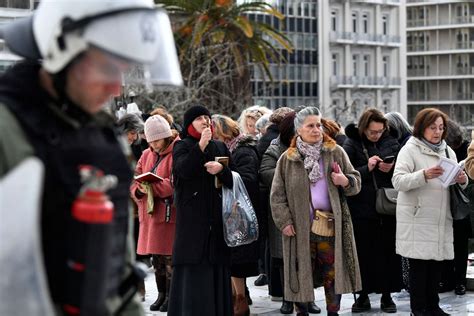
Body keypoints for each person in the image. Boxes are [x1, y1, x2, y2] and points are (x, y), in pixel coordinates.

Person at [0, 0, 182, 314]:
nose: (115, 88)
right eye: (107, 69)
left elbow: (117, 270)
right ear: (61, 51)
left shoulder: (101, 138)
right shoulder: (8, 132)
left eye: (122, 72)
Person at [271, 107, 362, 316]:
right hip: (299, 228)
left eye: (318, 125)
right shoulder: (288, 158)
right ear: (299, 130)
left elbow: (356, 182)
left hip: (329, 226)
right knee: (300, 273)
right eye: (310, 126)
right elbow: (277, 195)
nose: (316, 130)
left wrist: (344, 180)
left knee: (332, 274)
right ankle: (301, 311)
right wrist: (284, 221)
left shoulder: (335, 152)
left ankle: (333, 311)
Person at [392, 108, 468, 316]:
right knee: (419, 268)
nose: (437, 132)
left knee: (436, 266)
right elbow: (398, 180)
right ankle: (418, 309)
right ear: (421, 128)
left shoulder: (447, 151)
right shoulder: (410, 150)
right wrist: (423, 175)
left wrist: (462, 180)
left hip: (441, 217)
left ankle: (433, 306)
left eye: (441, 128)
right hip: (417, 217)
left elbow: (455, 182)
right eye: (432, 127)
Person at [168, 105, 234, 316]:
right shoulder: (182, 146)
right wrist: (201, 146)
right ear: (189, 125)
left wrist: (222, 170)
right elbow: (183, 171)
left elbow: (233, 179)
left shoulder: (220, 147)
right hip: (192, 224)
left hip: (216, 222)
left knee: (215, 268)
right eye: (199, 118)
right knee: (193, 271)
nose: (205, 121)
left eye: (207, 117)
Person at [343, 108, 403, 313]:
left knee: (388, 253)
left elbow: (403, 170)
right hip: (362, 207)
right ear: (363, 128)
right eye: (372, 132)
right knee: (363, 253)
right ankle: (362, 296)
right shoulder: (351, 143)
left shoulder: (392, 141)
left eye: (379, 131)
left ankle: (387, 296)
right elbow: (346, 175)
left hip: (387, 208)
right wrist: (366, 168)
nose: (376, 135)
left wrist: (392, 167)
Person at [212, 114, 261, 316]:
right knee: (232, 258)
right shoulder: (231, 148)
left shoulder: (243, 150)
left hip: (240, 213)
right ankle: (236, 296)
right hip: (228, 212)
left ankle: (240, 298)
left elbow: (249, 180)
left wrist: (224, 171)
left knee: (237, 259)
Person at [130, 115, 179, 312]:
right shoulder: (146, 154)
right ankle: (160, 294)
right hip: (150, 213)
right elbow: (134, 180)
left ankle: (170, 295)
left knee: (169, 258)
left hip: (168, 213)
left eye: (157, 140)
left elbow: (174, 184)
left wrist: (151, 186)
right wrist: (140, 190)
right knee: (156, 258)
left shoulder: (177, 151)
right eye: (150, 141)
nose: (153, 145)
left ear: (166, 136)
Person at [260, 111, 297, 314]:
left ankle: (306, 299)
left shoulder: (312, 149)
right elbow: (266, 173)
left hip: (306, 210)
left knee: (304, 257)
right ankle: (287, 298)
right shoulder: (275, 148)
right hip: (281, 208)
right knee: (284, 258)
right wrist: (293, 175)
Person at [439, 119, 471, 296]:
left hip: (460, 204)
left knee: (460, 244)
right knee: (446, 243)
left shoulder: (466, 149)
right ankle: (447, 279)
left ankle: (460, 281)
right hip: (443, 201)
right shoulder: (440, 150)